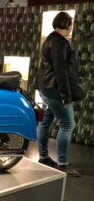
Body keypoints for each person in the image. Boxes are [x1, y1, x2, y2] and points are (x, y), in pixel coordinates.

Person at [36, 11, 85, 177]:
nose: (71, 28)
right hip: (55, 89)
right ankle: (62, 163)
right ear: (66, 24)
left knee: (45, 122)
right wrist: (65, 95)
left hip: (46, 87)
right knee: (67, 124)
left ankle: (43, 156)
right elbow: (61, 70)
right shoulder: (59, 42)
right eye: (71, 24)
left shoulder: (50, 40)